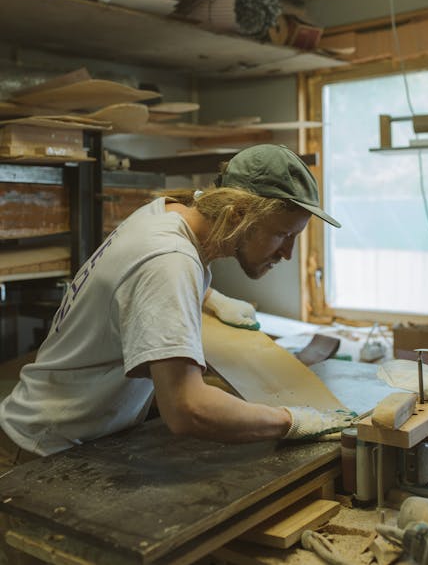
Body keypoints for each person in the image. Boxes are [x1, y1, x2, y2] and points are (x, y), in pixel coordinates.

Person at [0, 144, 351, 467]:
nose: (288, 253)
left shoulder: (165, 213)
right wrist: (292, 421)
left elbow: (138, 280)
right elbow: (187, 409)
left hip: (51, 434)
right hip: (38, 451)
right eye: (282, 235)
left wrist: (209, 298)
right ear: (238, 212)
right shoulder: (170, 261)